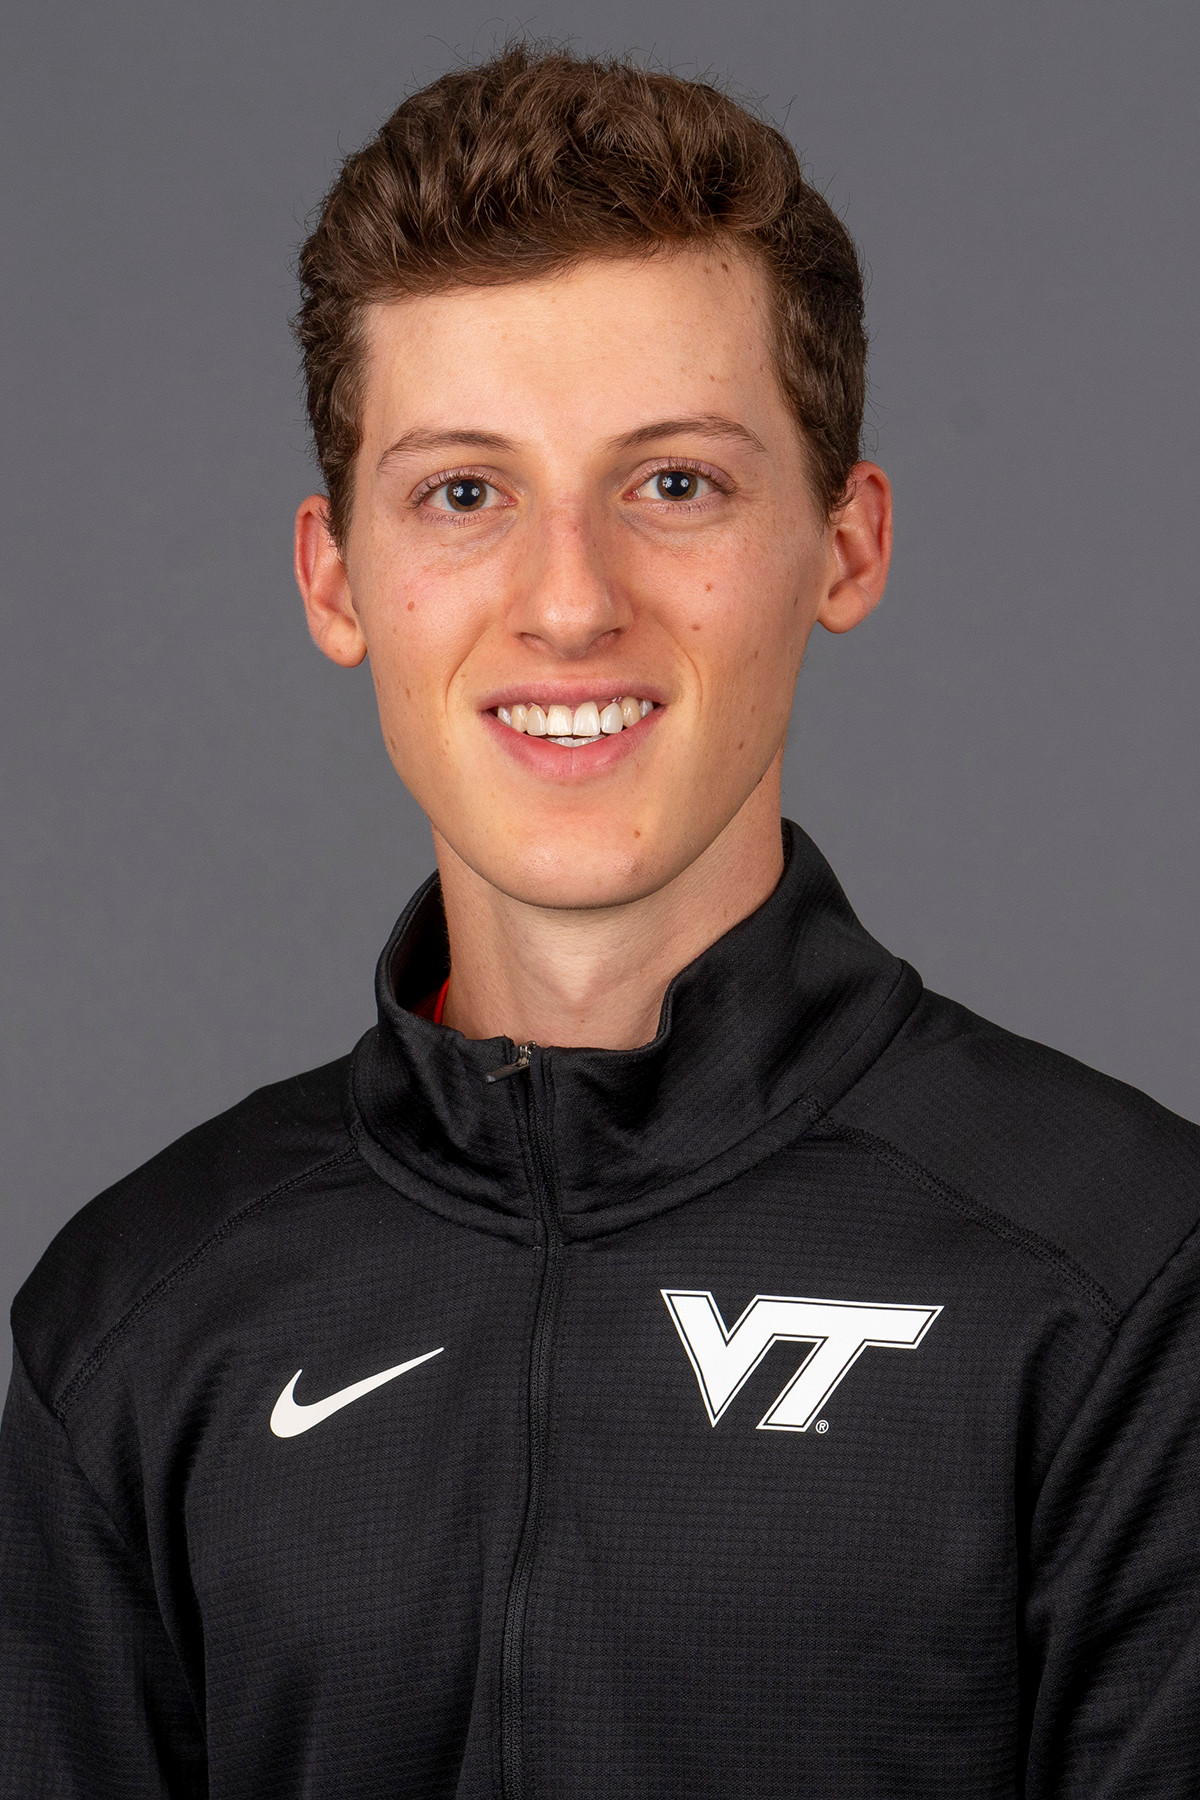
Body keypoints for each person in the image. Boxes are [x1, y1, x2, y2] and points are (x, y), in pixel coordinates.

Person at [2, 43, 1198, 1800]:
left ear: (844, 544)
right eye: (463, 493)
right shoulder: (134, 1321)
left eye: (675, 483)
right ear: (337, 577)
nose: (569, 603)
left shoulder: (1128, 1277)